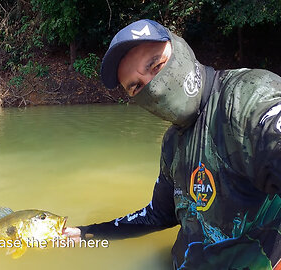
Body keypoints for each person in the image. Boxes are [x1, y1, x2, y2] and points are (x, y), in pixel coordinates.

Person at [63, 19, 281, 269]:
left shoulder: (245, 99)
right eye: (136, 86)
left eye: (156, 65)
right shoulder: (171, 144)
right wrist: (88, 232)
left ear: (181, 49)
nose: (153, 89)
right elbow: (157, 215)